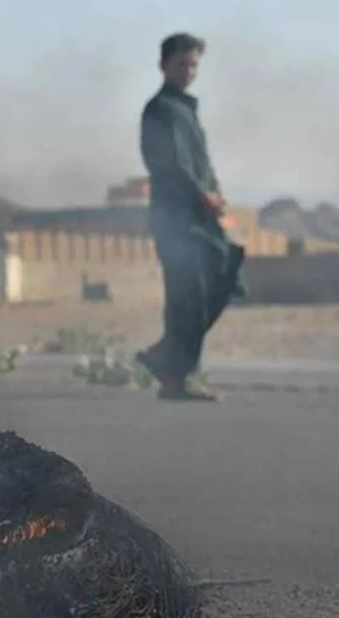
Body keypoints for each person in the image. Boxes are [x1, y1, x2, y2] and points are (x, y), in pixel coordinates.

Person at [135, 32, 247, 402]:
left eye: (193, 64)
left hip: (202, 217)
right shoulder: (160, 109)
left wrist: (215, 194)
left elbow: (201, 163)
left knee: (226, 272)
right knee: (187, 296)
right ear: (163, 65)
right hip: (176, 217)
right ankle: (175, 378)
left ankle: (164, 353)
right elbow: (171, 164)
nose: (188, 71)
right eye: (181, 63)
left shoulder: (187, 110)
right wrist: (201, 194)